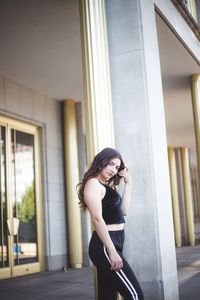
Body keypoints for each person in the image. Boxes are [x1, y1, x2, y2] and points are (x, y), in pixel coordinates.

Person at [77, 147, 144, 300]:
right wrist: (112, 251)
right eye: (111, 164)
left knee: (108, 295)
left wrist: (128, 183)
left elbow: (124, 211)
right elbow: (97, 219)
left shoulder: (106, 186)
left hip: (115, 241)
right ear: (101, 162)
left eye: (117, 167)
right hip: (105, 244)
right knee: (135, 295)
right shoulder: (93, 184)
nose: (113, 169)